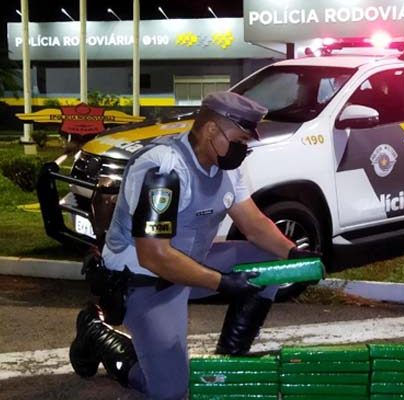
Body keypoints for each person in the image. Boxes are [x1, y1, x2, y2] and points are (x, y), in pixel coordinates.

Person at [69, 91, 318, 399]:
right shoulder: (163, 169)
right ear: (211, 130)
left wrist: (294, 254)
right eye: (240, 139)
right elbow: (154, 256)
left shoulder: (227, 166)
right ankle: (97, 333)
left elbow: (253, 225)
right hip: (146, 280)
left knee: (270, 262)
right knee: (169, 390)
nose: (244, 147)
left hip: (192, 265)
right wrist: (222, 282)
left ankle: (230, 361)